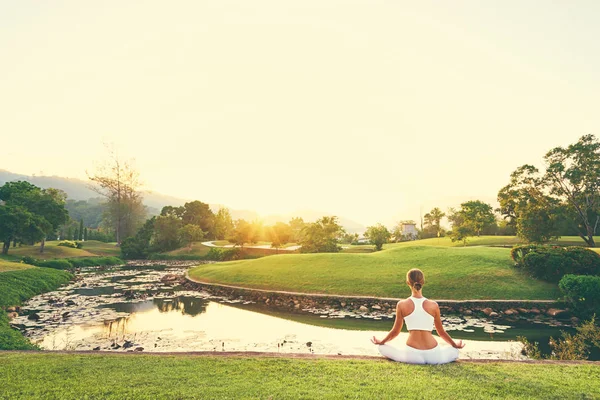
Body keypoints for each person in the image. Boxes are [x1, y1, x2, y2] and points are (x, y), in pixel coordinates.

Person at [371, 268, 465, 364]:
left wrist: (382, 341)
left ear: (408, 282)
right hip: (434, 356)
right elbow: (441, 332)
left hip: (412, 355)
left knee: (381, 347)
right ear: (423, 282)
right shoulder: (433, 305)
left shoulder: (402, 304)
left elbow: (395, 332)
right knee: (454, 350)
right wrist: (454, 344)